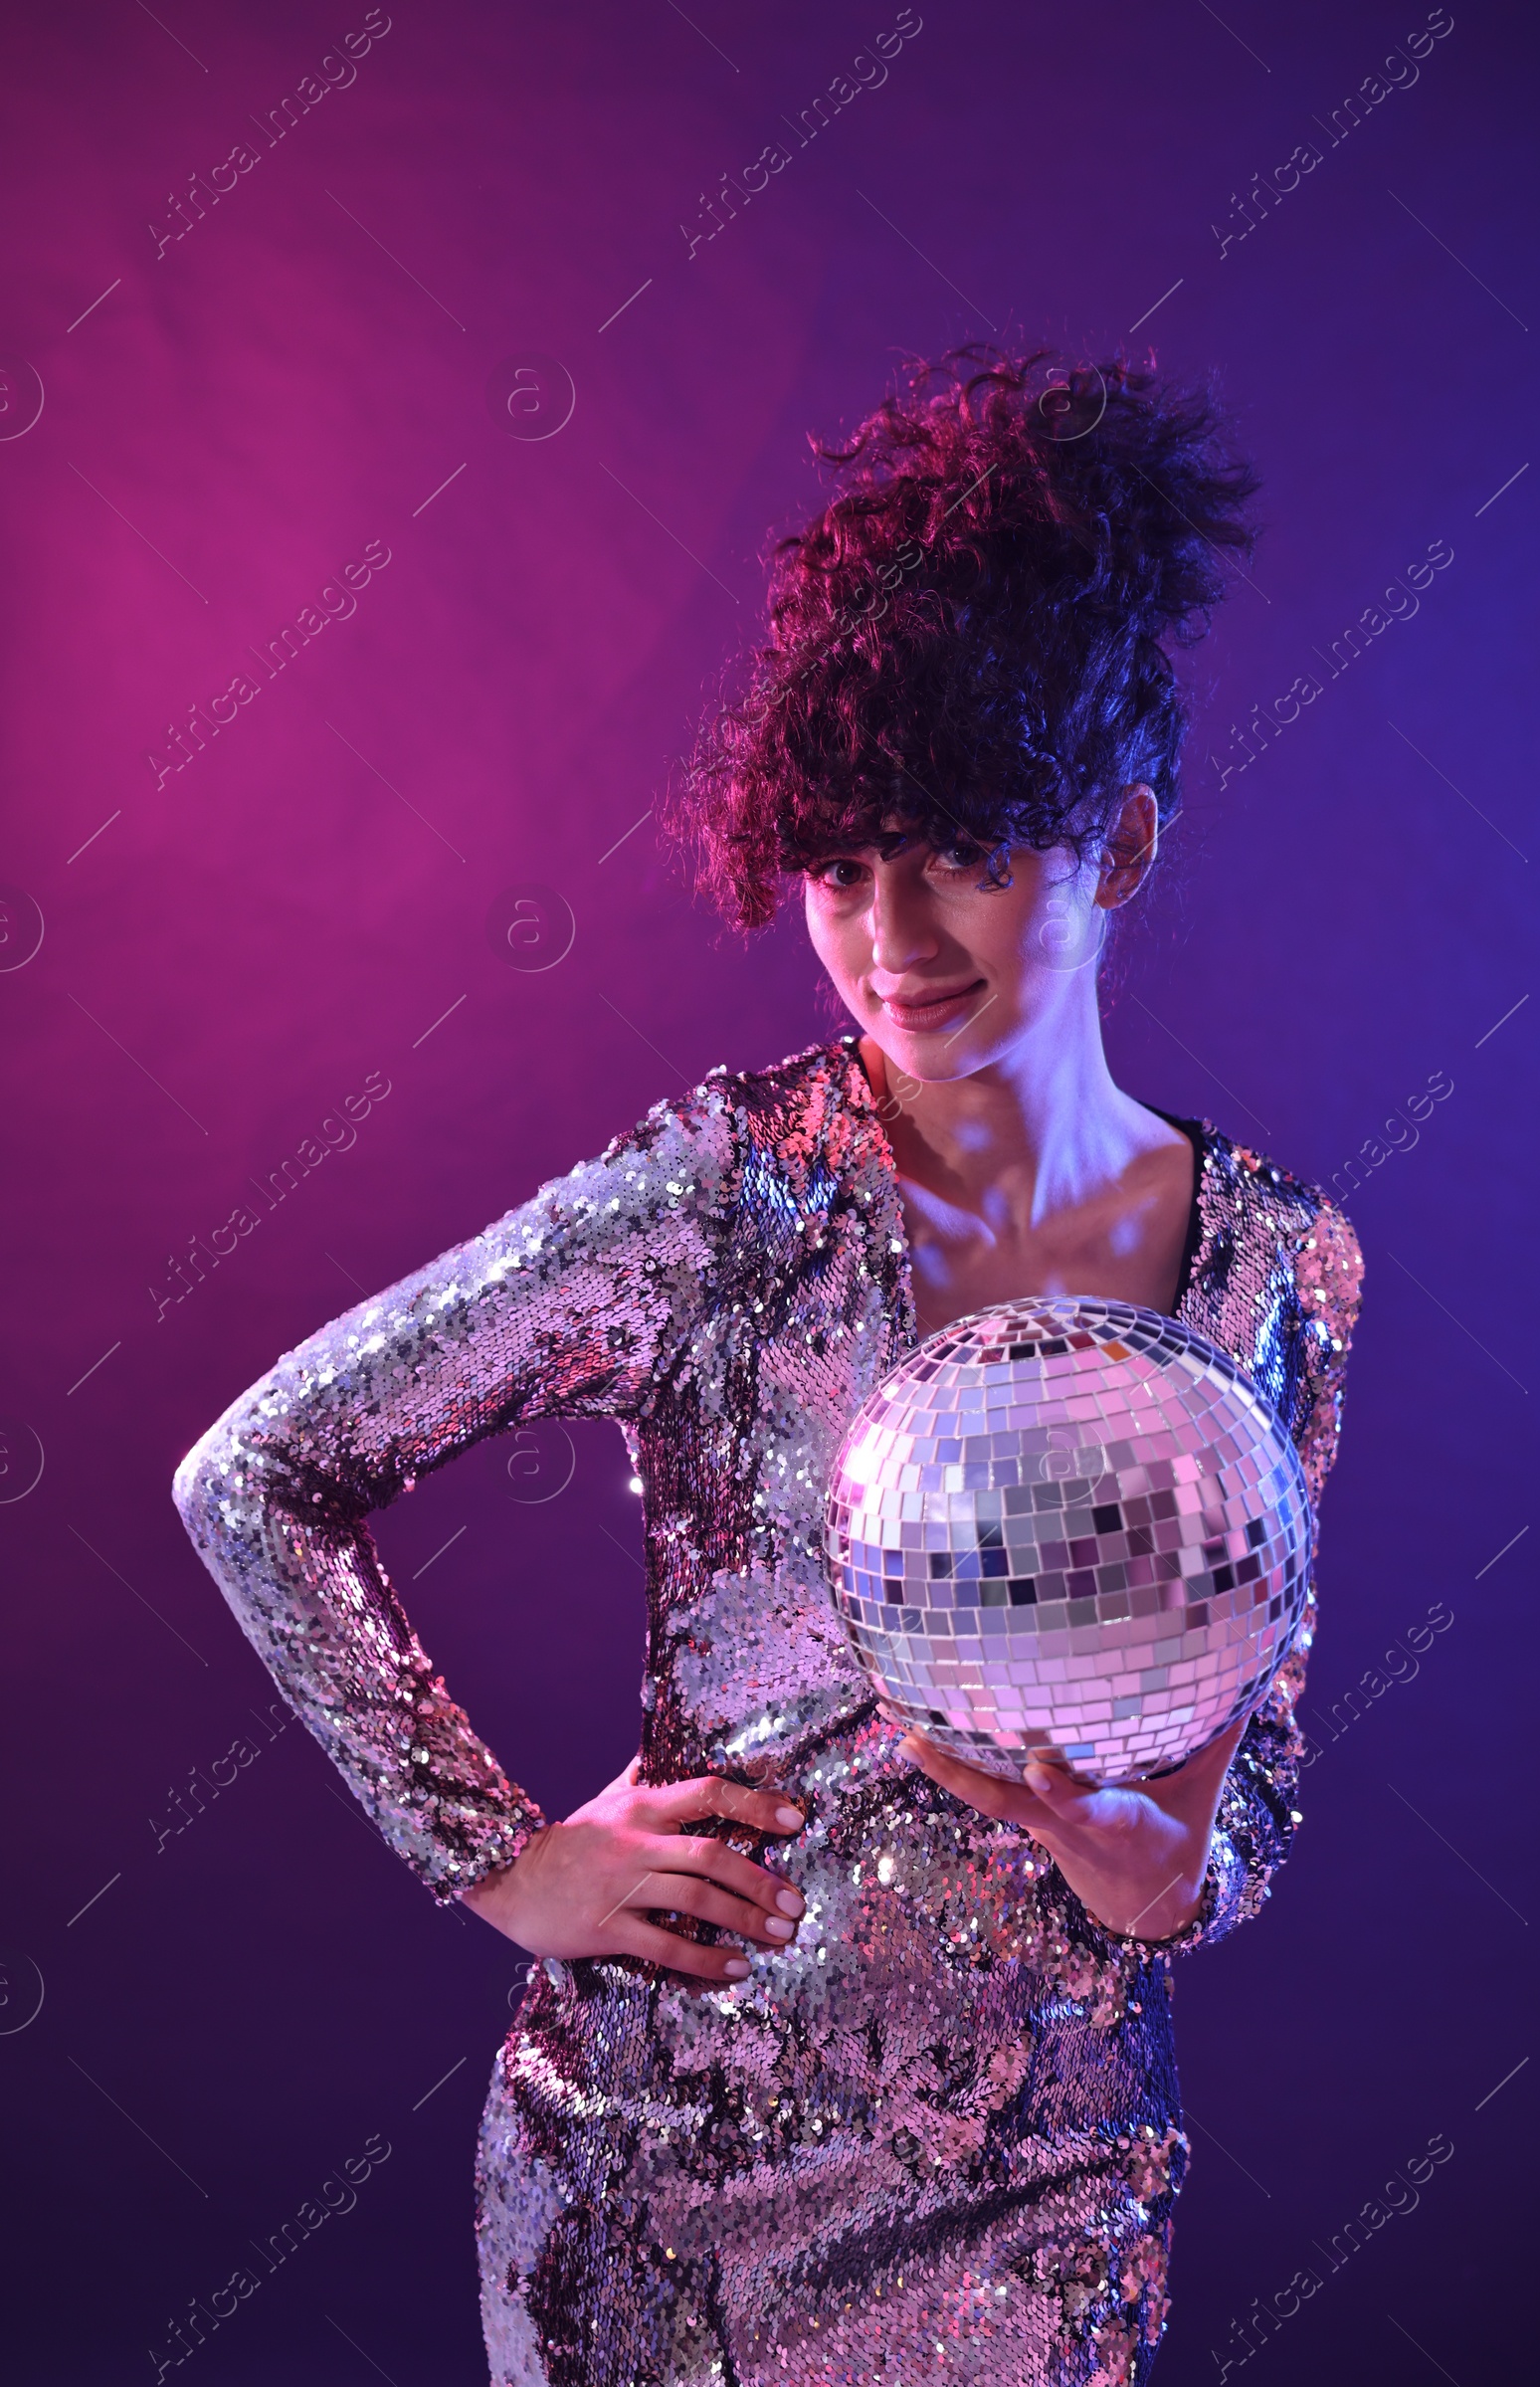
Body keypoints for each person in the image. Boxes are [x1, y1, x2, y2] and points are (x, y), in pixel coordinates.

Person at [174, 351, 1362, 2386]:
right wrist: (503, 1858)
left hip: (1045, 2199)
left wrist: (1156, 1863)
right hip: (660, 2178)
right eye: (836, 866)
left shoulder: (1274, 1263)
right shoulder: (722, 1189)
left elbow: (1232, 1802)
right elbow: (258, 1472)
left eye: (963, 850)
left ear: (1123, 840)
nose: (889, 934)